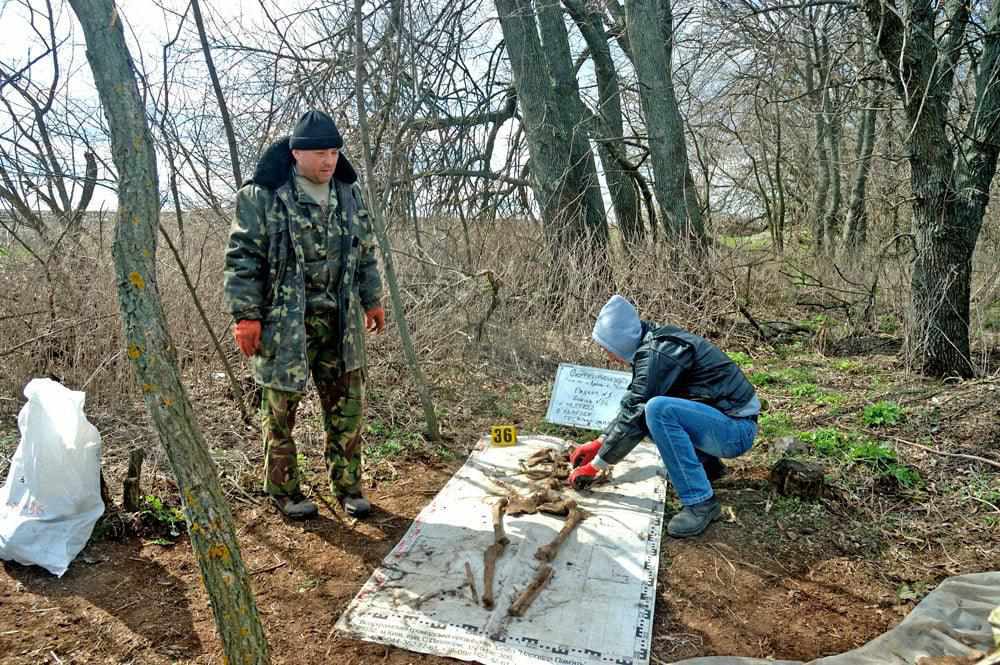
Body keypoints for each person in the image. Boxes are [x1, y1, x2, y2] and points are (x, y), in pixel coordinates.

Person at [224, 110, 384, 520]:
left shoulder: (348, 192)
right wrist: (246, 315)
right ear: (296, 154)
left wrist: (372, 298)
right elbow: (243, 258)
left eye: (333, 152)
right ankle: (285, 492)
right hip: (283, 324)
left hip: (340, 322)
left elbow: (364, 250)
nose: (328, 161)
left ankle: (348, 487)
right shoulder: (262, 194)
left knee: (347, 409)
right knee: (279, 413)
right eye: (319, 154)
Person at [567, 295, 760, 537]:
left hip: (736, 431)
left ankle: (701, 503)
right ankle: (709, 468)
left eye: (609, 349)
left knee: (658, 411)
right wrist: (599, 442)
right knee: (653, 412)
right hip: (725, 422)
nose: (609, 356)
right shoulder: (653, 343)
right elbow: (634, 404)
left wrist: (596, 466)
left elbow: (637, 411)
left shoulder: (658, 353)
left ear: (622, 342)